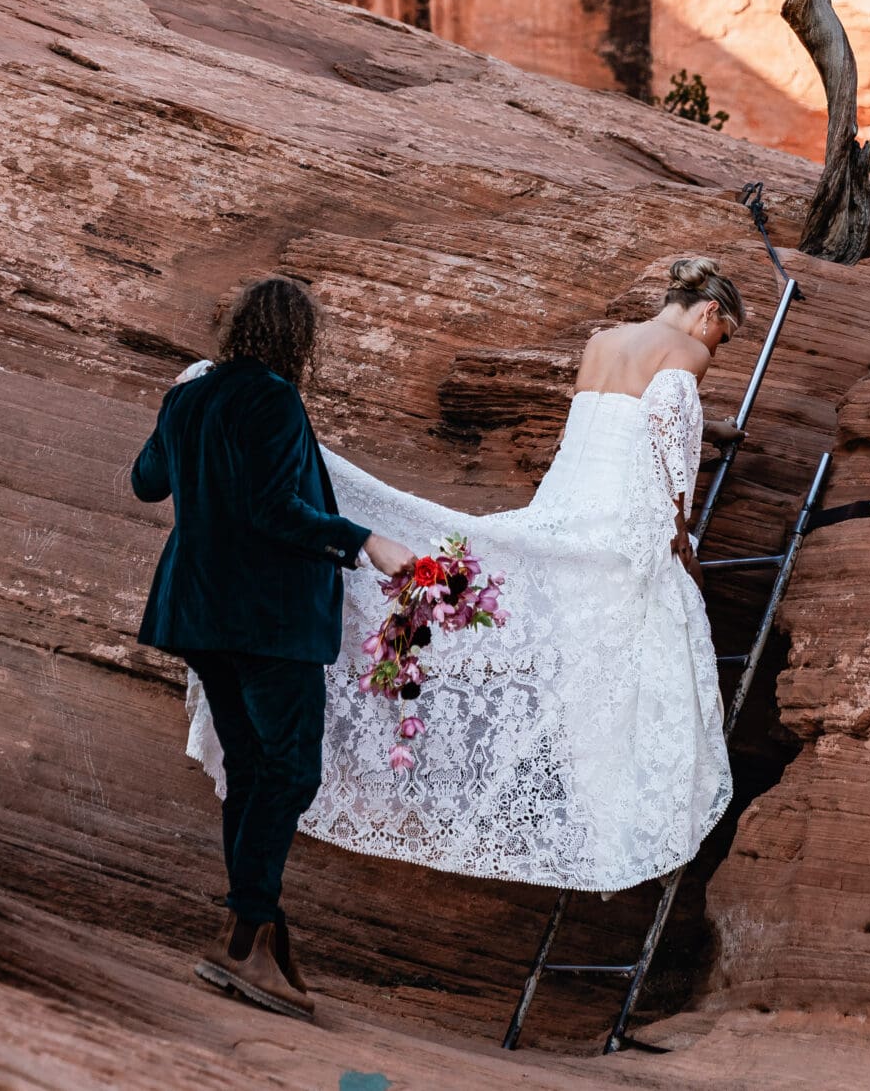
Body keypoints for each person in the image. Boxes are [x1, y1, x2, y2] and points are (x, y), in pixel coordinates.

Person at [183, 255, 743, 896]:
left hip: (567, 509)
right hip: (621, 527)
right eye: (721, 340)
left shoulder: (604, 341)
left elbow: (614, 419)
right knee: (635, 669)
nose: (714, 355)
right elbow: (671, 457)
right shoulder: (687, 352)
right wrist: (680, 543)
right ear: (709, 314)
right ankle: (614, 836)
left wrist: (709, 424)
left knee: (579, 668)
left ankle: (596, 826)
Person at [132, 275, 412, 1021]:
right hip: (266, 620)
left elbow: (146, 481)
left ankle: (249, 928)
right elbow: (275, 510)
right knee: (289, 770)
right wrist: (367, 541)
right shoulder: (277, 400)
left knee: (254, 768)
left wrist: (175, 408)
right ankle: (248, 931)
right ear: (298, 340)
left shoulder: (190, 395)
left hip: (197, 613)